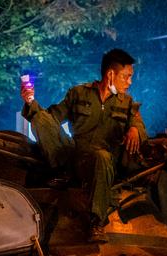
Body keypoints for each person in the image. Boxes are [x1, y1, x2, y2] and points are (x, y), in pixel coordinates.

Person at [21, 48, 148, 236]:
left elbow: (139, 123)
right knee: (40, 119)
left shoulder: (127, 103)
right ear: (111, 74)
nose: (129, 82)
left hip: (103, 164)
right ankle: (61, 171)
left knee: (102, 156)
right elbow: (52, 117)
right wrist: (30, 102)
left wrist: (135, 129)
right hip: (74, 156)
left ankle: (96, 222)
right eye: (126, 76)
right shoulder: (78, 93)